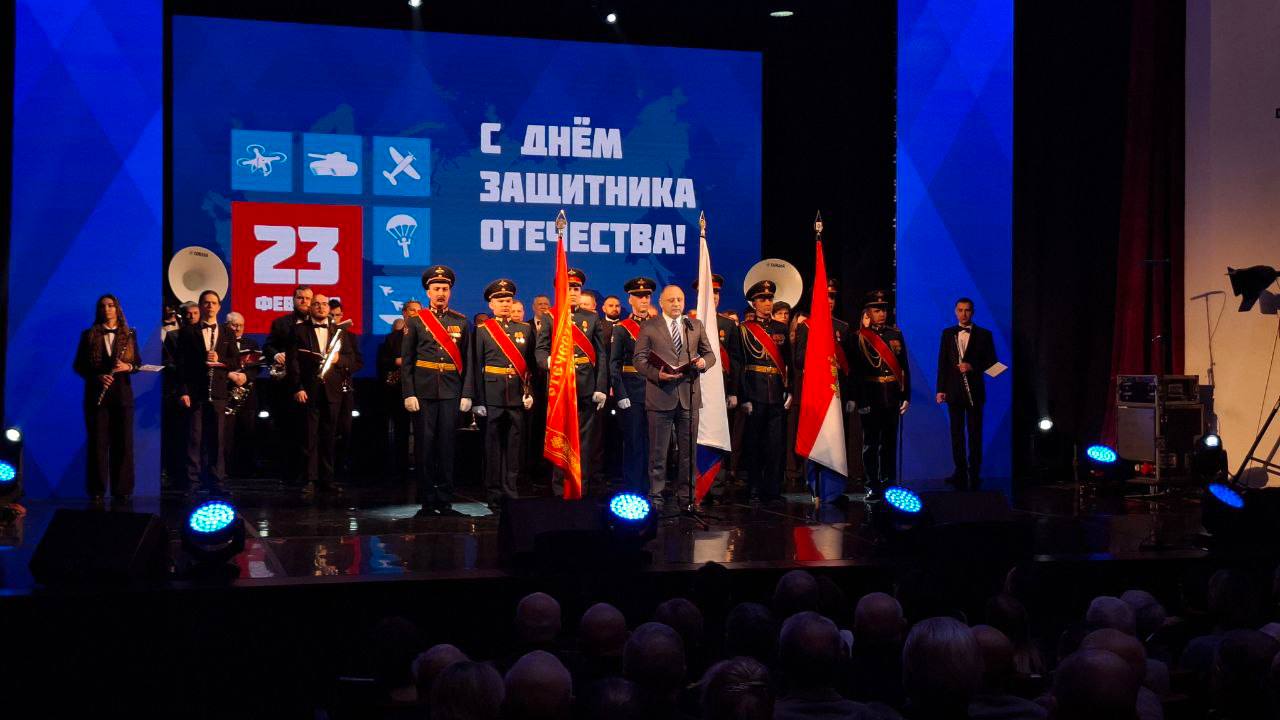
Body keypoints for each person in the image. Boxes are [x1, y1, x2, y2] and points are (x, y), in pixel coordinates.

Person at [402, 266, 473, 517]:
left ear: (450, 292)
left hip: (451, 391)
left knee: (447, 446)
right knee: (424, 447)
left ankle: (445, 499)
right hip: (423, 392)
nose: (441, 293)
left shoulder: (461, 321)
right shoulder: (416, 321)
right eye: (436, 289)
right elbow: (407, 361)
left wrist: (467, 393)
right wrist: (408, 393)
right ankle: (427, 500)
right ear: (428, 292)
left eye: (445, 289)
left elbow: (468, 360)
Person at [634, 285, 716, 506]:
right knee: (659, 451)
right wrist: (657, 374)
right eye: (671, 300)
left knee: (688, 451)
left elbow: (710, 354)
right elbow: (639, 360)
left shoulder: (694, 325)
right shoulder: (650, 326)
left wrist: (703, 362)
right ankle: (656, 495)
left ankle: (687, 495)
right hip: (660, 396)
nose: (676, 304)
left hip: (689, 396)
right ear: (661, 302)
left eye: (680, 299)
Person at [535, 268, 608, 497]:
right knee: (560, 436)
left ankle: (580, 486)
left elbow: (601, 355)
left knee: (584, 442)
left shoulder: (592, 318)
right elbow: (540, 349)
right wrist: (548, 361)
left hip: (586, 387)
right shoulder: (550, 317)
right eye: (568, 288)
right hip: (561, 387)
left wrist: (600, 387)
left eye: (576, 288)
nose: (573, 292)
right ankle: (560, 488)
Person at [470, 278, 537, 507]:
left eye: (508, 300)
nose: (505, 304)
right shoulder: (482, 331)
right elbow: (476, 367)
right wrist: (478, 399)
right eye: (500, 301)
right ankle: (494, 493)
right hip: (492, 396)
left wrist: (529, 392)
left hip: (517, 396)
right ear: (491, 305)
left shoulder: (525, 329)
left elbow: (530, 366)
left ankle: (511, 491)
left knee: (514, 448)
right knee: (492, 447)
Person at [288, 293, 358, 495]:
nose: (321, 307)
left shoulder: (340, 332)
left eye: (324, 304)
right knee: (309, 436)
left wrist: (338, 359)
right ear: (310, 307)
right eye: (316, 304)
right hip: (308, 390)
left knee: (329, 436)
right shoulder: (298, 330)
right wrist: (298, 387)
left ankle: (327, 479)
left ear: (329, 308)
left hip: (333, 392)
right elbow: (293, 362)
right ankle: (310, 479)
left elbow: (352, 360)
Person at [176, 290, 245, 494]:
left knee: (217, 438)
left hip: (218, 391)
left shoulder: (227, 332)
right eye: (206, 303)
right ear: (200, 305)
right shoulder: (188, 332)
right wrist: (183, 391)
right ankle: (192, 483)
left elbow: (235, 361)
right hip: (195, 390)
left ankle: (217, 482)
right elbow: (181, 364)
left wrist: (220, 361)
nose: (210, 306)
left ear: (219, 306)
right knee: (194, 438)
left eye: (214, 303)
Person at [73, 294, 140, 503]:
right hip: (97, 396)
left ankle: (122, 490)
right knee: (98, 444)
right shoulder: (88, 334)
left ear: (117, 309)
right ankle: (97, 490)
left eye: (111, 305)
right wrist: (97, 376)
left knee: (124, 444)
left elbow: (137, 363)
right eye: (103, 306)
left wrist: (127, 366)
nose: (107, 309)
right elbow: (79, 365)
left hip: (122, 396)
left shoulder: (129, 334)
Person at [794, 277, 854, 504]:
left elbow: (848, 366)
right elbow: (799, 359)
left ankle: (834, 490)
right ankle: (816, 489)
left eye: (832, 297)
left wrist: (851, 396)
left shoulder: (842, 327)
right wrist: (821, 354)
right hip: (815, 392)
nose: (829, 300)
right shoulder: (805, 327)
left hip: (836, 393)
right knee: (815, 438)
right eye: (825, 296)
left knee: (836, 438)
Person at [851, 290, 909, 501]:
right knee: (871, 444)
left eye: (884, 309)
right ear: (868, 313)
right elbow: (856, 374)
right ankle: (872, 485)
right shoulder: (859, 337)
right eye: (877, 310)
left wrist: (906, 396)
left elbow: (904, 368)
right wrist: (861, 401)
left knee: (889, 443)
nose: (882, 314)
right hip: (871, 397)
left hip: (891, 396)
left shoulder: (895, 334)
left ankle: (889, 482)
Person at [935, 297, 998, 490]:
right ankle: (960, 471)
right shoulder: (948, 334)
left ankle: (975, 472)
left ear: (973, 312)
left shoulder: (984, 335)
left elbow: (993, 364)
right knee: (956, 433)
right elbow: (943, 364)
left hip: (975, 392)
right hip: (953, 392)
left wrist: (972, 366)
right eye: (960, 310)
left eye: (967, 310)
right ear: (955, 312)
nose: (964, 314)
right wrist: (940, 389)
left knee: (975, 433)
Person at [738, 280, 791, 505]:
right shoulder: (744, 329)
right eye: (762, 299)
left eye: (770, 299)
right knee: (754, 444)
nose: (767, 303)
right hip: (755, 392)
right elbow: (740, 364)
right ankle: (754, 488)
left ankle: (773, 489)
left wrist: (789, 390)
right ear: (754, 303)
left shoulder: (781, 329)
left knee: (775, 444)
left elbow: (787, 362)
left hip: (776, 392)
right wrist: (744, 397)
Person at [691, 273, 741, 505]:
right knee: (694, 436)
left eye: (717, 292)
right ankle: (694, 484)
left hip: (720, 389)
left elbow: (736, 361)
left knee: (719, 435)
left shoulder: (728, 325)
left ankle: (717, 487)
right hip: (695, 387)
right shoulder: (689, 322)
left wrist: (734, 391)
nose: (714, 296)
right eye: (709, 292)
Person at [610, 277, 657, 493]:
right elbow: (614, 364)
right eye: (638, 296)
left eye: (646, 296)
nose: (643, 300)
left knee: (654, 442)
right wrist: (620, 394)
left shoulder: (658, 325)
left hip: (656, 390)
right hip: (632, 391)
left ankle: (652, 487)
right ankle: (634, 487)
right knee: (634, 442)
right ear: (630, 299)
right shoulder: (622, 329)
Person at [263, 285, 314, 485]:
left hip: (311, 384)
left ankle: (309, 475)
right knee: (286, 430)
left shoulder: (318, 323)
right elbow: (268, 346)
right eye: (300, 297)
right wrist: (276, 354)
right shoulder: (281, 323)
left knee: (308, 431)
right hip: (285, 386)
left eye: (307, 298)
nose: (304, 301)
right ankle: (288, 475)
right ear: (293, 300)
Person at [378, 300, 422, 481]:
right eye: (412, 310)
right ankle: (401, 468)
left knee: (423, 431)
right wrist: (396, 361)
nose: (415, 313)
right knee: (401, 430)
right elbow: (382, 361)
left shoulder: (427, 335)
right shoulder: (392, 338)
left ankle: (423, 468)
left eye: (418, 310)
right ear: (404, 313)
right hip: (399, 390)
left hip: (422, 389)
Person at [222, 311, 262, 478]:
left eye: (241, 325)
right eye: (234, 325)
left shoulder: (251, 343)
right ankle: (225, 468)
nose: (238, 328)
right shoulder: (220, 342)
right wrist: (230, 375)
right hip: (226, 393)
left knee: (247, 432)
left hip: (248, 395)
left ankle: (246, 469)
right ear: (226, 326)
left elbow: (258, 366)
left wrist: (246, 376)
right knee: (226, 434)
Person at [327, 298, 362, 478]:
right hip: (323, 389)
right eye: (331, 315)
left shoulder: (350, 337)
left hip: (344, 388)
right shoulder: (318, 335)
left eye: (337, 315)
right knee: (326, 430)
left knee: (344, 430)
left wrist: (339, 361)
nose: (334, 319)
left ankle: (340, 468)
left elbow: (358, 362)